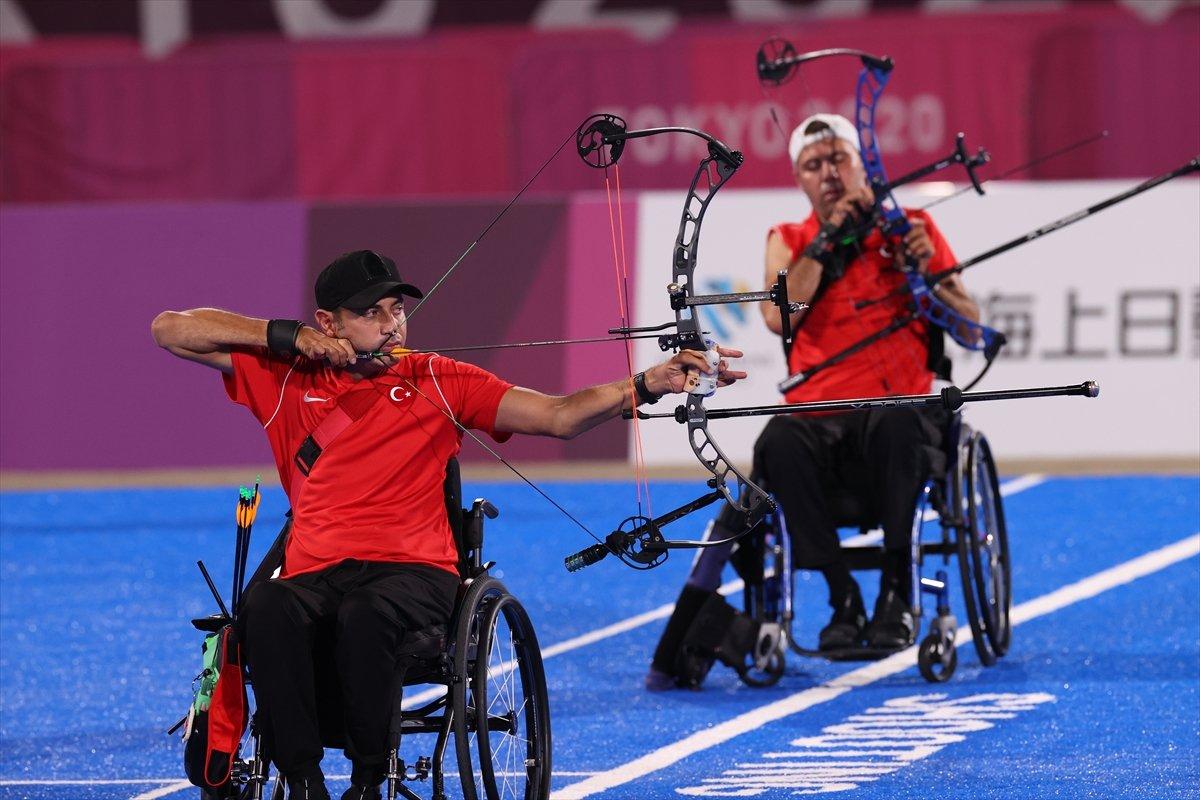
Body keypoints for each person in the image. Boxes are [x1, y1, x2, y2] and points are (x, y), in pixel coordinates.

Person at [151, 249, 746, 800]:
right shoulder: (286, 377)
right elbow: (170, 329)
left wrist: (648, 383)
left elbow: (558, 416)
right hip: (316, 572)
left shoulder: (438, 378)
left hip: (414, 575)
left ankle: (367, 777)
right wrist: (287, 338)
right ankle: (304, 780)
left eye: (397, 310)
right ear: (329, 324)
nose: (392, 326)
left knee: (366, 615)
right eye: (371, 314)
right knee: (265, 611)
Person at [647, 113, 979, 689]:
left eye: (838, 160)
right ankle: (842, 595)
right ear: (800, 179)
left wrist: (927, 272)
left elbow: (973, 331)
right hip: (816, 422)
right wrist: (828, 243)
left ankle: (898, 588)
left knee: (900, 420)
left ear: (863, 164)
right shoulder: (791, 240)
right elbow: (780, 315)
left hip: (895, 418)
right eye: (813, 166)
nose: (828, 174)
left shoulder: (913, 228)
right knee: (775, 440)